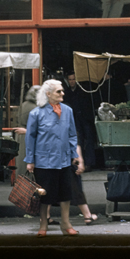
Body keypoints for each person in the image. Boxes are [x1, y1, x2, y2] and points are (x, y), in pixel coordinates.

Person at [25, 79, 80, 237]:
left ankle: (66, 223)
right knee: (45, 195)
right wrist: (30, 160)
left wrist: (74, 154)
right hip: (44, 161)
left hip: (64, 160)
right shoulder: (36, 113)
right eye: (59, 91)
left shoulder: (67, 111)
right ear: (48, 94)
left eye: (62, 90)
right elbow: (30, 138)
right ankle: (43, 224)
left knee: (65, 193)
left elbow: (72, 134)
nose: (63, 93)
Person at [64, 72, 97, 170]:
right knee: (78, 141)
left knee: (89, 140)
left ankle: (89, 163)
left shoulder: (83, 91)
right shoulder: (67, 92)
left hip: (85, 118)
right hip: (74, 119)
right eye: (70, 79)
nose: (72, 81)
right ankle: (77, 162)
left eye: (73, 79)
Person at [14, 85, 41, 178]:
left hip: (21, 136)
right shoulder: (35, 108)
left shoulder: (24, 104)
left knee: (22, 162)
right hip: (28, 135)